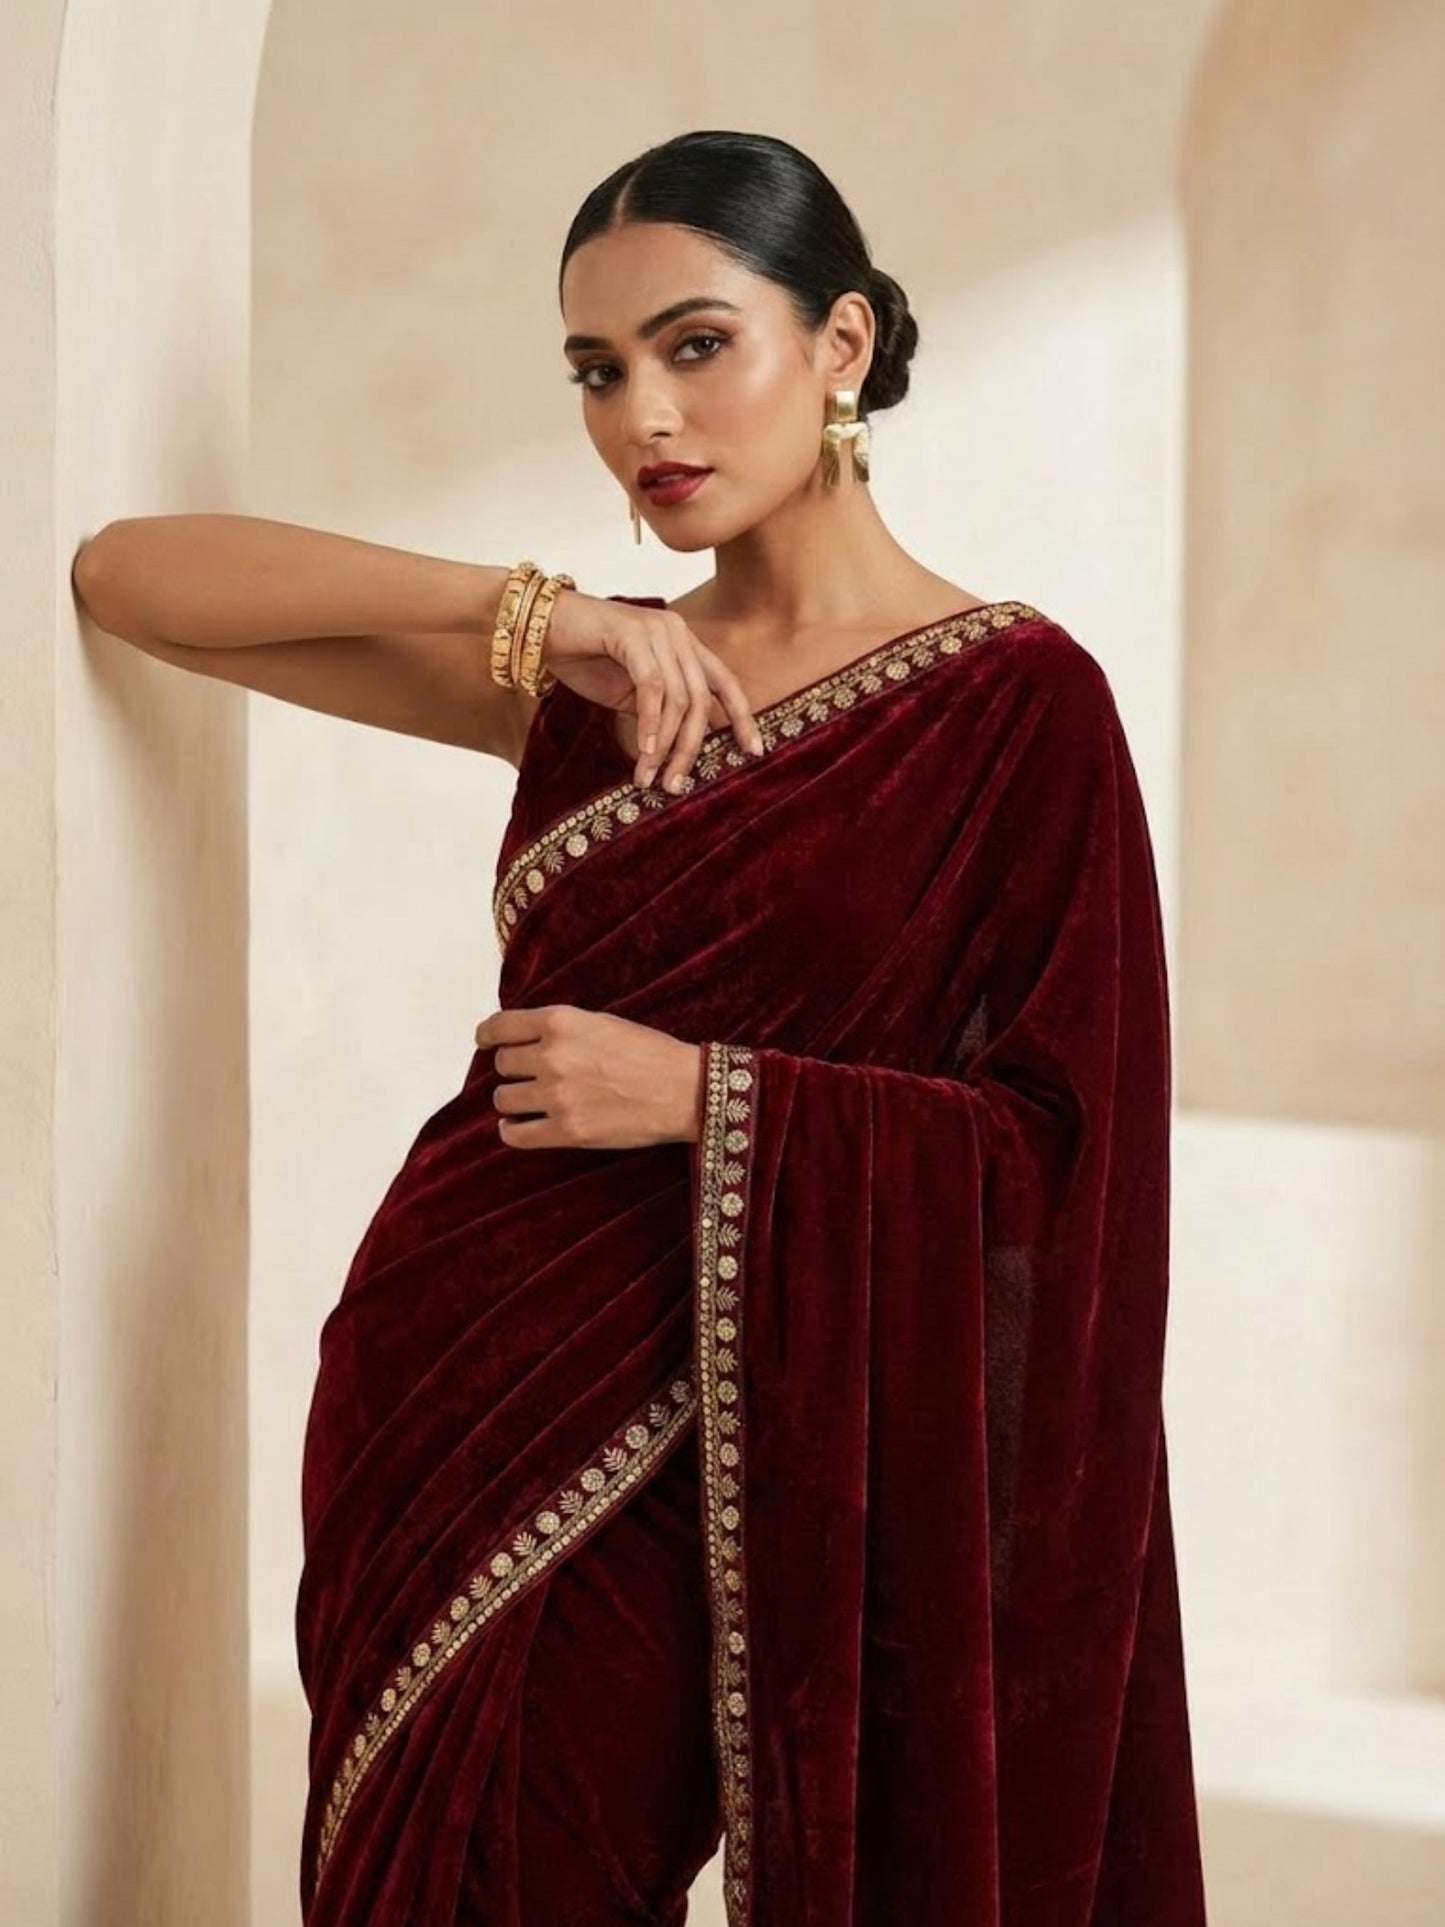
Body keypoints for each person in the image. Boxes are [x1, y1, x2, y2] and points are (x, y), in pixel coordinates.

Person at [71, 128, 1208, 1926]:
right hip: (450, 1385)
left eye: (696, 347)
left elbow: (1070, 1156)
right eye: (598, 370)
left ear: (836, 350)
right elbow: (128, 579)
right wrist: (527, 612)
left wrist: (706, 1095)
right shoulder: (596, 680)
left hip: (736, 1434)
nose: (639, 419)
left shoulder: (1018, 707)